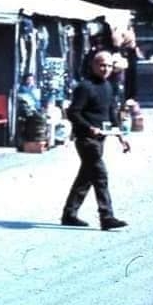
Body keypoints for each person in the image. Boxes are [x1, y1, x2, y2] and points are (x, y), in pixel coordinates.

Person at [60, 51, 131, 230]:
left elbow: (111, 113)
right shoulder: (85, 87)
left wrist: (122, 137)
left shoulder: (108, 86)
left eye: (108, 66)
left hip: (101, 140)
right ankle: (106, 216)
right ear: (93, 65)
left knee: (86, 177)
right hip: (86, 139)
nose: (105, 69)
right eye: (101, 65)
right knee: (100, 174)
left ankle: (69, 214)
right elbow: (73, 112)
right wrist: (88, 127)